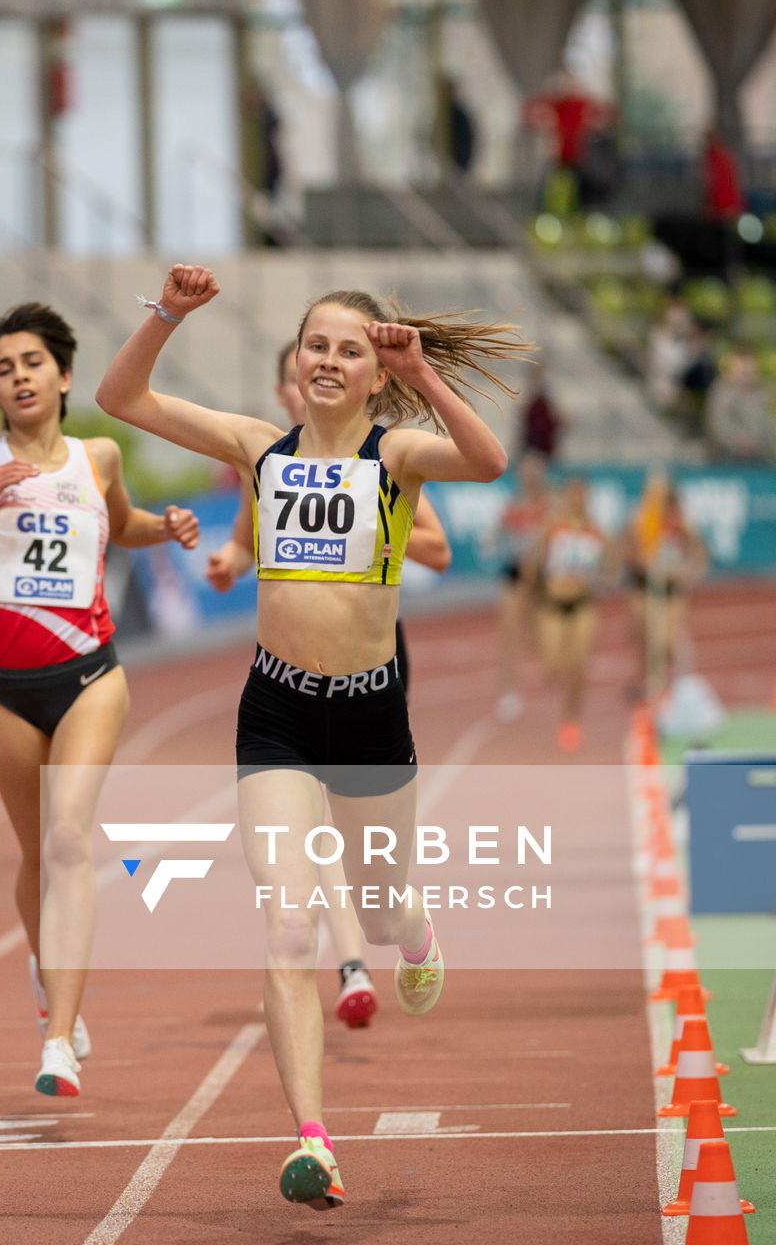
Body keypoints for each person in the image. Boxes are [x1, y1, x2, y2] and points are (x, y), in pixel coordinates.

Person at [97, 265, 524, 1210]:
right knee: (290, 922)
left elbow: (491, 462)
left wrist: (431, 376)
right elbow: (119, 397)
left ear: (377, 371)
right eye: (315, 346)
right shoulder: (261, 448)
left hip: (371, 714)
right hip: (278, 712)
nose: (328, 361)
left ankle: (413, 935)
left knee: (375, 914)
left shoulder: (400, 455)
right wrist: (168, 315)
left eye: (349, 349)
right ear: (295, 362)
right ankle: (315, 1142)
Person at [0, 302, 200, 1099]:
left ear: (62, 375)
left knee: (67, 842)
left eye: (31, 363)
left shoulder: (100, 455)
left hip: (91, 674)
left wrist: (168, 526)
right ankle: (48, 969)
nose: (18, 377)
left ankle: (59, 1035)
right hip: (4, 691)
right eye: (2, 370)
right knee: (33, 856)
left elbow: (118, 525)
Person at [203, 338, 453, 1032]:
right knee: (301, 821)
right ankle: (346, 964)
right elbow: (251, 539)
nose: (300, 388)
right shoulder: (273, 459)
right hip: (287, 675)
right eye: (290, 379)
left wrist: (375, 537)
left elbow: (435, 544)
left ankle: (385, 932)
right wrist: (230, 558)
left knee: (347, 839)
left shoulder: (380, 458)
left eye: (308, 374)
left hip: (368, 658)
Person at [525, 476, 610, 752]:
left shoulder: (596, 531)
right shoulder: (553, 526)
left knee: (579, 668)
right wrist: (531, 601)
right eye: (574, 496)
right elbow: (533, 562)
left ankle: (570, 720)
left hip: (582, 605)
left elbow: (612, 567)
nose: (578, 501)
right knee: (554, 665)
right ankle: (563, 690)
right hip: (551, 605)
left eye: (583, 496)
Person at [621, 471, 707, 706]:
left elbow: (698, 551)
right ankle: (652, 684)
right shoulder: (641, 518)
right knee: (648, 638)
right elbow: (629, 551)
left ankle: (670, 684)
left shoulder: (680, 519)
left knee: (667, 641)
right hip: (645, 589)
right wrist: (643, 564)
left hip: (670, 590)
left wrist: (687, 570)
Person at [491, 453, 552, 722]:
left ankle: (551, 672)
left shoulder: (549, 507)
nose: (529, 479)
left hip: (541, 579)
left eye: (534, 474)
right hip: (513, 574)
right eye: (525, 474)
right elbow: (495, 536)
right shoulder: (512, 506)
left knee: (539, 632)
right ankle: (510, 691)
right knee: (509, 634)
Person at [704, 346, 776, 462]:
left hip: (759, 457)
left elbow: (770, 426)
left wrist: (759, 442)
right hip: (725, 458)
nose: (746, 373)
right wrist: (739, 441)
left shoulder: (762, 394)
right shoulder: (721, 391)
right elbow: (718, 425)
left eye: (750, 369)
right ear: (732, 369)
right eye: (742, 369)